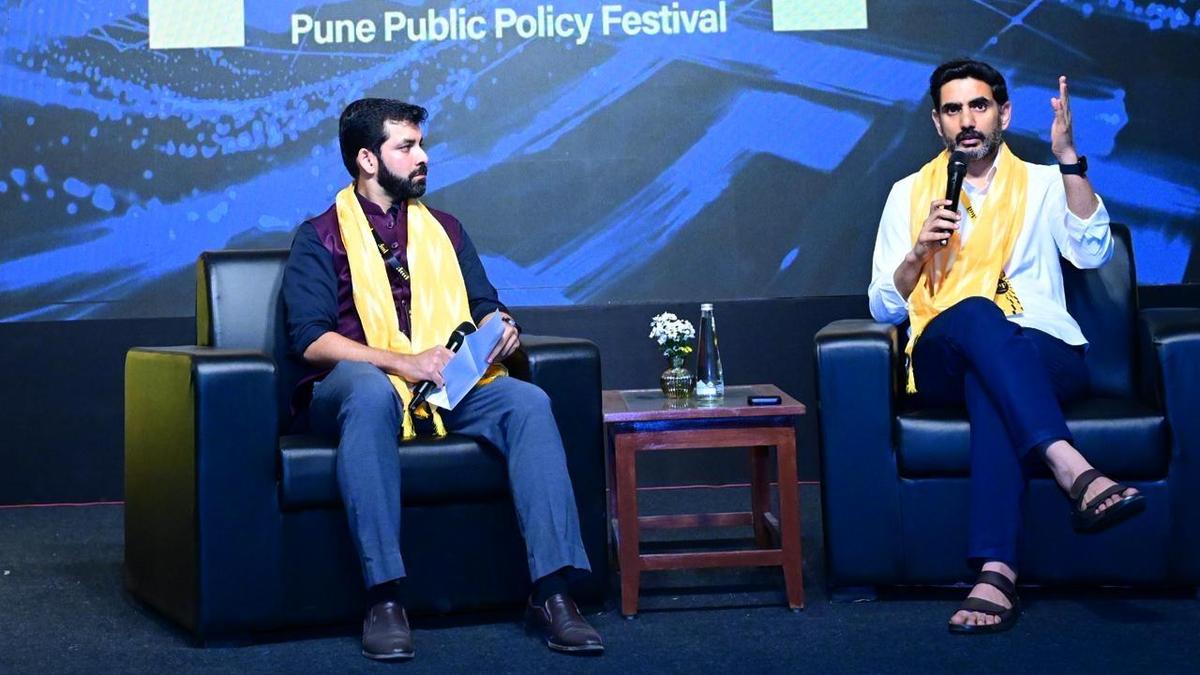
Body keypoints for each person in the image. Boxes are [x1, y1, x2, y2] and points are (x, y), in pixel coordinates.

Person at [281, 98, 603, 660]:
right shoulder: (321, 235)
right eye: (406, 146)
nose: (422, 156)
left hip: (444, 384)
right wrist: (400, 363)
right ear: (367, 160)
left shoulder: (446, 230)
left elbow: (485, 305)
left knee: (526, 402)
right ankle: (384, 597)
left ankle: (552, 592)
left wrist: (501, 328)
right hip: (355, 388)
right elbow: (310, 339)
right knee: (369, 389)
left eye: (422, 144)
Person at [867, 59, 1146, 634]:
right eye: (953, 110)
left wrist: (1069, 158)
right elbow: (883, 307)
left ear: (1004, 113)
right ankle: (1072, 468)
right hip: (942, 353)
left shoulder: (1045, 182)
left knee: (990, 381)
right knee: (975, 312)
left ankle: (996, 572)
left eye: (979, 105)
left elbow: (1092, 251)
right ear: (937, 123)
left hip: (1044, 350)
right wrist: (918, 252)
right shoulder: (908, 194)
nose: (967, 120)